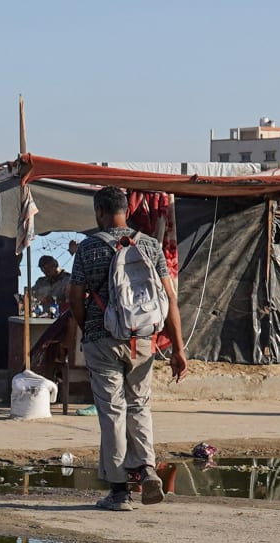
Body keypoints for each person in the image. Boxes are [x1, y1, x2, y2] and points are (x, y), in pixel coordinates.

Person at [65, 187, 189, 512]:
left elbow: (75, 298)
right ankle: (147, 469)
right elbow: (169, 299)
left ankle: (119, 492)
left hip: (102, 339)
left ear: (99, 213)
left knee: (112, 412)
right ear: (126, 210)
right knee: (139, 406)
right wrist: (178, 349)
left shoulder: (89, 248)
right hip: (143, 341)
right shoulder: (150, 245)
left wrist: (88, 328)